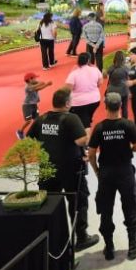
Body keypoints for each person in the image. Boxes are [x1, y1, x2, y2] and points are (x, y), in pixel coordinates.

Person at [27, 87, 99, 251]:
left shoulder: (41, 119)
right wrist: (87, 135)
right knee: (77, 202)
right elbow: (81, 141)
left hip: (47, 169)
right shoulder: (71, 118)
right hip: (71, 169)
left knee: (49, 203)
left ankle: (50, 237)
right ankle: (81, 237)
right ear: (67, 103)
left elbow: (29, 141)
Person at [88, 92, 136, 261]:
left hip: (106, 173)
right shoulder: (128, 125)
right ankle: (133, 245)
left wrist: (97, 171)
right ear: (121, 106)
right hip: (125, 172)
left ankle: (109, 247)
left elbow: (91, 154)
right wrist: (126, 148)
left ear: (105, 106)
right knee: (130, 206)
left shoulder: (99, 128)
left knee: (106, 209)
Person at [64, 52, 103, 128]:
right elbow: (100, 83)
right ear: (88, 60)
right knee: (87, 119)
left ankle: (85, 134)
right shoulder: (95, 70)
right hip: (95, 100)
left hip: (78, 103)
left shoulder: (74, 73)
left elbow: (67, 89)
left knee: (82, 123)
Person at [17, 71, 51, 139]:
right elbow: (36, 86)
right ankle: (20, 131)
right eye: (35, 78)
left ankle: (37, 132)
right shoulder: (28, 87)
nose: (36, 79)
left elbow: (39, 88)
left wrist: (47, 85)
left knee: (37, 119)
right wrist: (42, 83)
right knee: (28, 121)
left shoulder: (32, 85)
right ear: (30, 80)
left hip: (34, 105)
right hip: (27, 106)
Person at [105, 50, 131, 119]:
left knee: (111, 108)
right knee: (124, 108)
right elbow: (129, 79)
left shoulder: (111, 68)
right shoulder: (126, 68)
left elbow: (105, 77)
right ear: (123, 59)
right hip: (123, 90)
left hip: (112, 90)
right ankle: (125, 124)